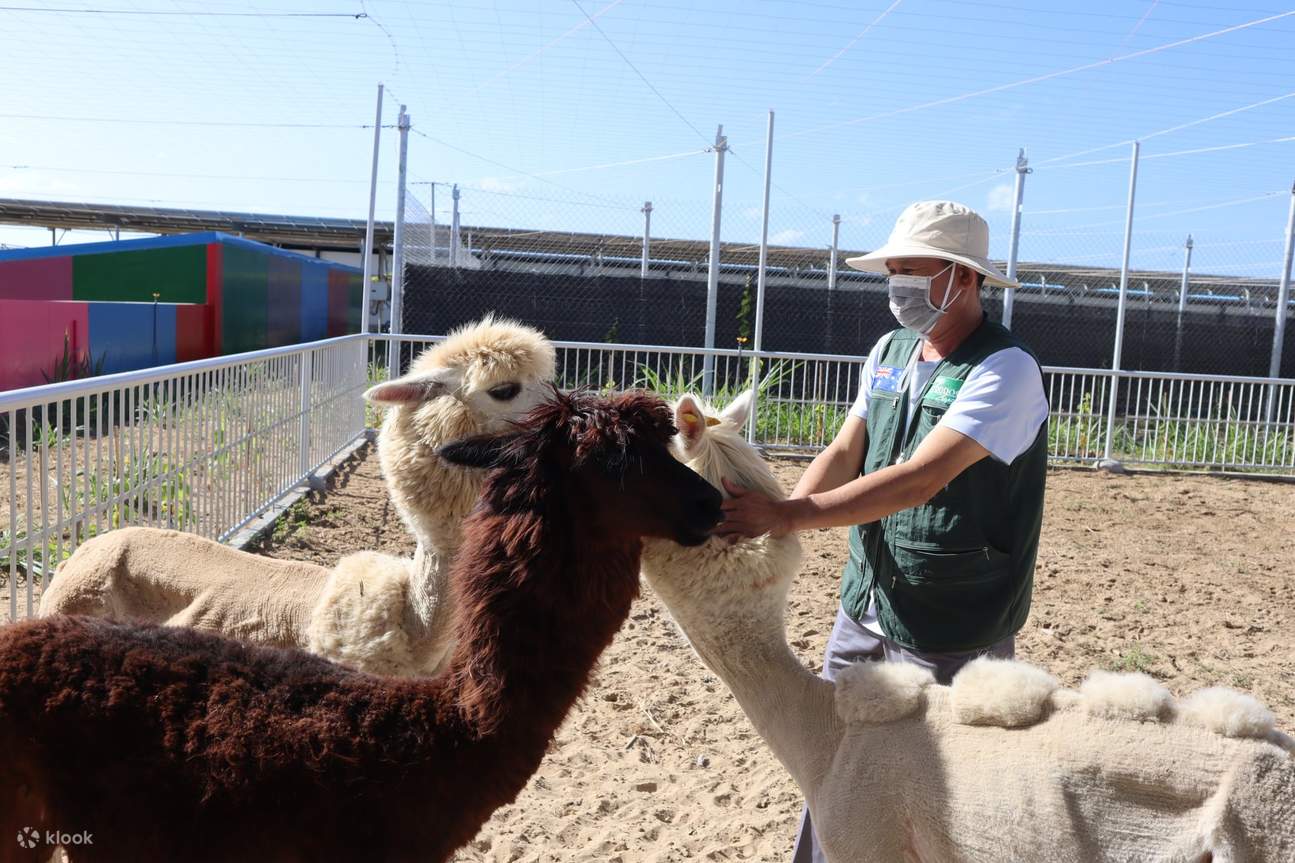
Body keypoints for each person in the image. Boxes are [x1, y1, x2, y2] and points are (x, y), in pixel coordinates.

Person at [715, 200, 1049, 863]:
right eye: (892, 270)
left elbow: (920, 478)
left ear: (963, 276)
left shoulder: (1005, 368)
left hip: (950, 613)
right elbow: (847, 449)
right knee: (834, 762)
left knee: (940, 787)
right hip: (865, 600)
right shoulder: (889, 351)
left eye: (911, 270)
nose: (897, 285)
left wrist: (787, 516)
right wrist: (778, 521)